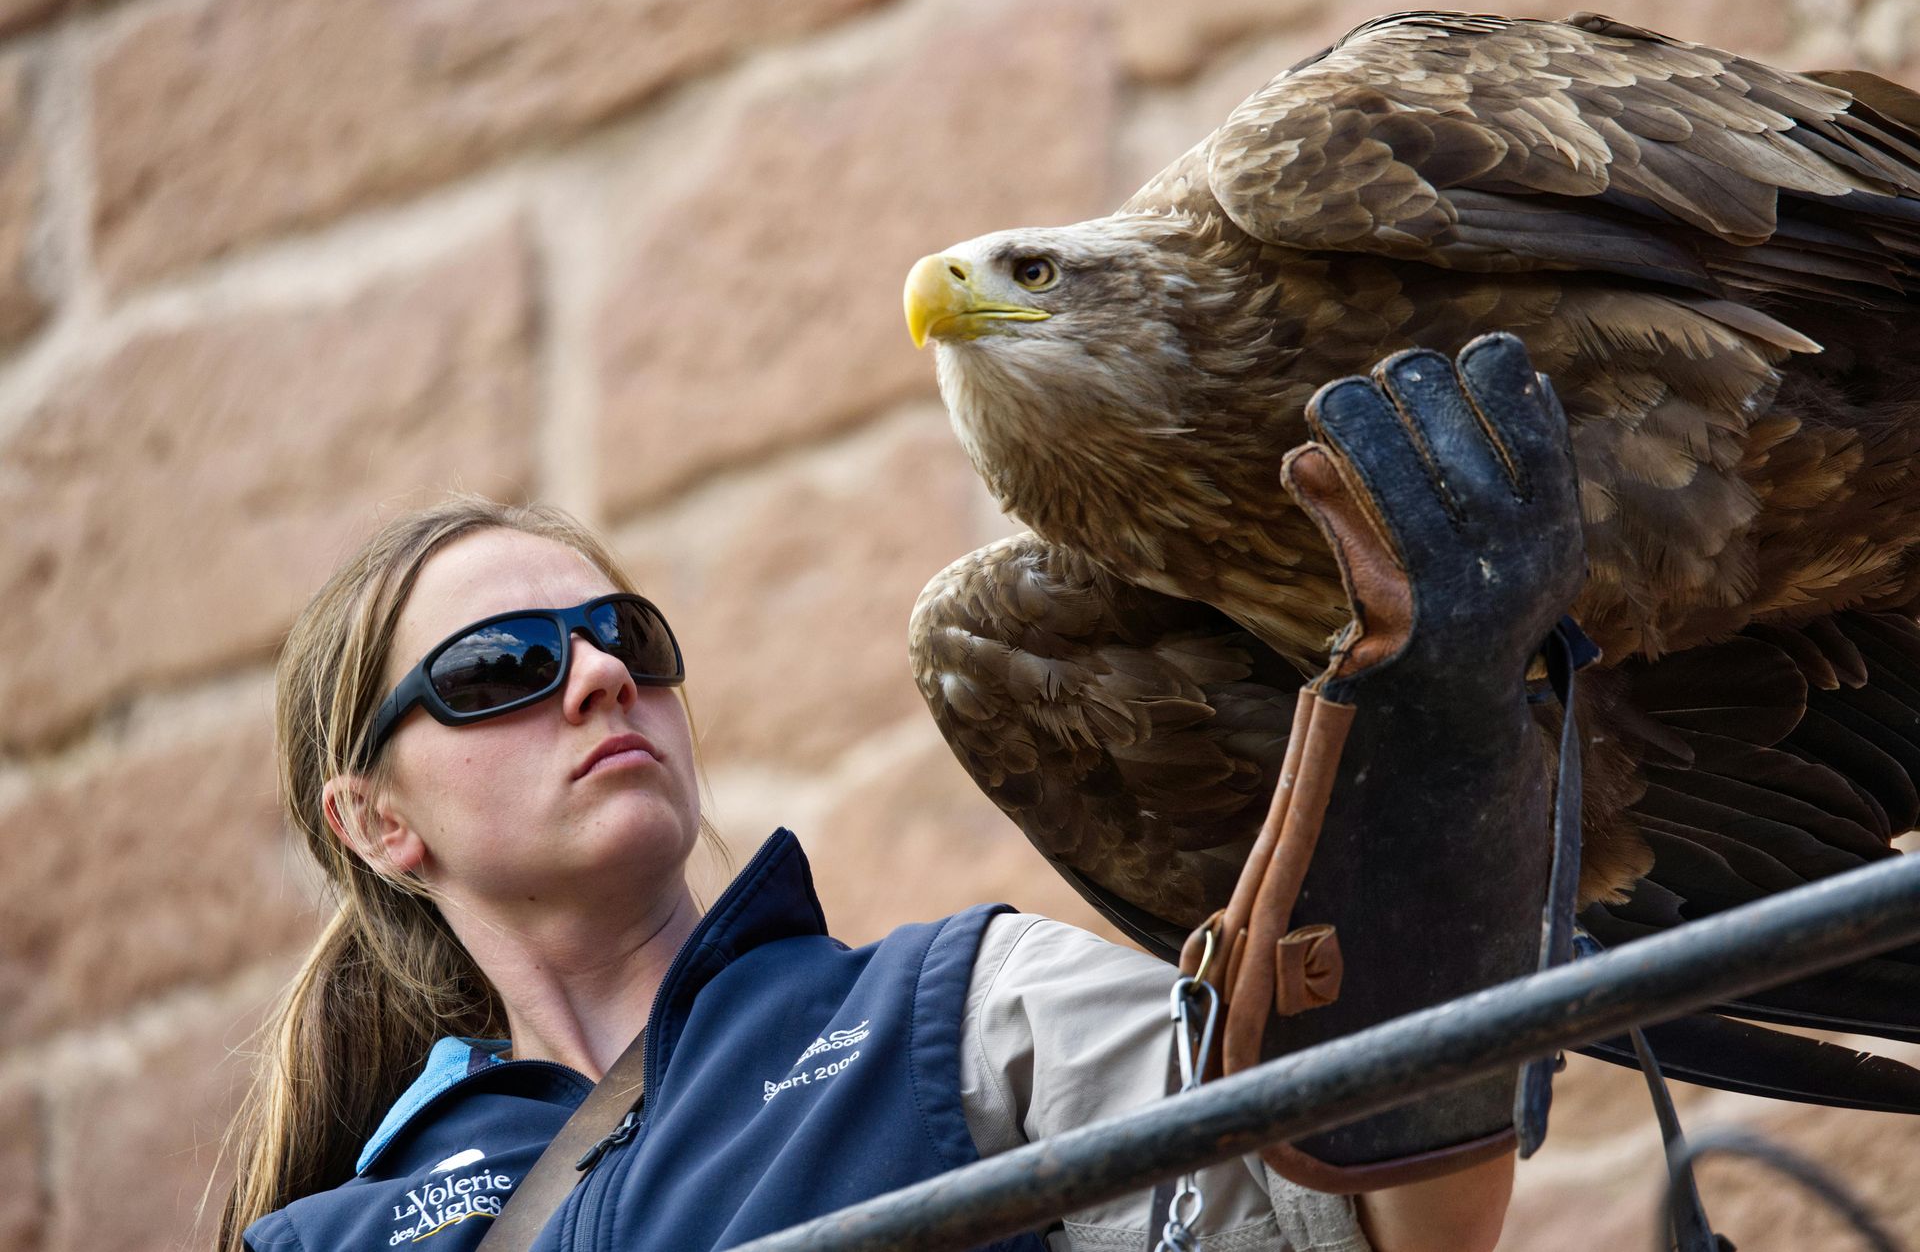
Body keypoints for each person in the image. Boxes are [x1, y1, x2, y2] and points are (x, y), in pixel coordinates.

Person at [218, 494, 1515, 1252]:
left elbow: (1362, 1220)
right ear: (377, 822)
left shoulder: (958, 1010)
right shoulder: (328, 1240)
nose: (603, 676)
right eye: (504, 665)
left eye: (628, 638)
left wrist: (1446, 791)